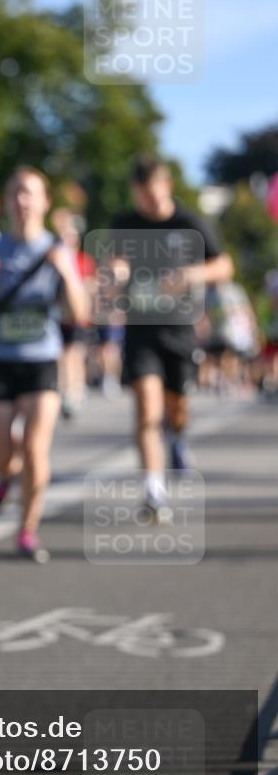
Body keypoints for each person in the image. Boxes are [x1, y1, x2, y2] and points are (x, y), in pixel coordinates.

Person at [0, 167, 89, 561]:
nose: (22, 201)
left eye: (30, 193)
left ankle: (27, 530)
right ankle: (3, 477)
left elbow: (80, 314)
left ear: (45, 202)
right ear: (7, 201)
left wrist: (65, 272)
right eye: (15, 193)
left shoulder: (57, 251)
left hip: (40, 361)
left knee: (35, 449)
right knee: (1, 453)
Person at [109, 155, 233, 515]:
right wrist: (115, 270)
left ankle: (178, 436)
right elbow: (111, 263)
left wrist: (192, 275)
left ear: (167, 187)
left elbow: (225, 266)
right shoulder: (124, 224)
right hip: (140, 329)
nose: (147, 202)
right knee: (147, 409)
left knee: (177, 408)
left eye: (152, 194)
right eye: (140, 195)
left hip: (180, 330)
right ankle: (153, 489)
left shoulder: (191, 223)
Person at [51, 208, 95, 419]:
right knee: (62, 355)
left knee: (75, 354)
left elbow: (89, 287)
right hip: (59, 314)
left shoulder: (82, 260)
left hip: (78, 315)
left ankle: (75, 391)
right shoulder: (55, 257)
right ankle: (65, 391)